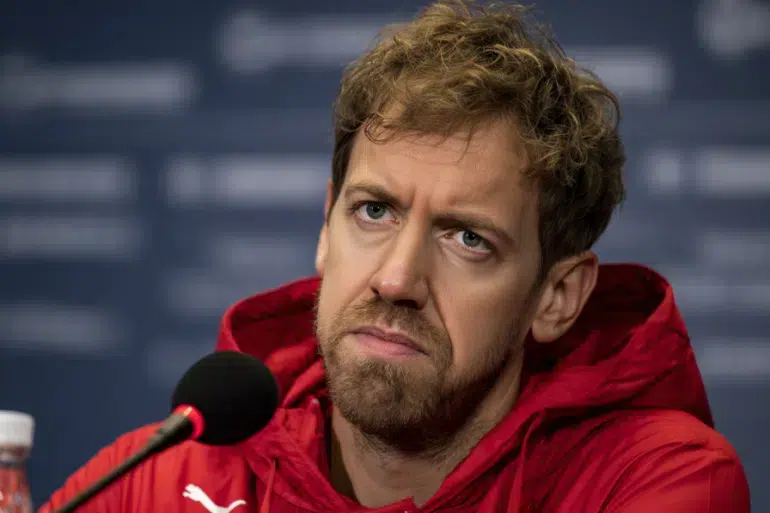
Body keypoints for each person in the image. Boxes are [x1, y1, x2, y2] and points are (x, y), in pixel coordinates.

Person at [41, 1, 751, 512]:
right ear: (326, 226)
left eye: (468, 238)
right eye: (374, 211)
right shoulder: (159, 479)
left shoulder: (649, 480)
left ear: (556, 296)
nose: (396, 278)